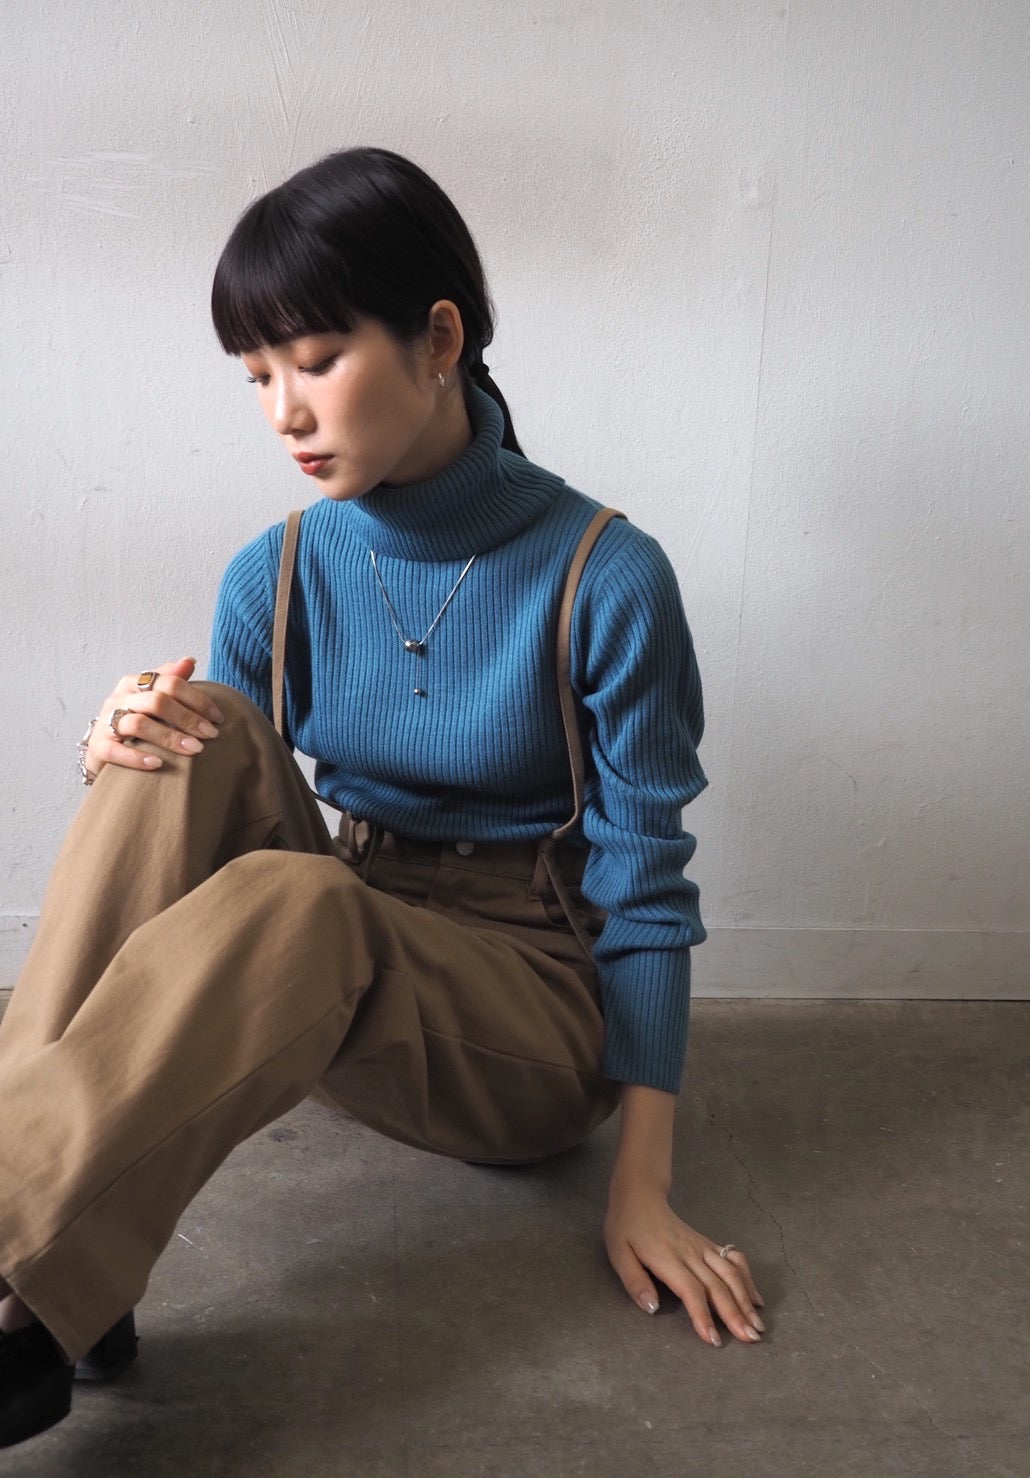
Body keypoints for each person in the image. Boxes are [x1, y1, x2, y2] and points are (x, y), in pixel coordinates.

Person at [0, 145, 764, 1450]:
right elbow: (184, 835)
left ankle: (24, 1251)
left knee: (303, 898)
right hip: (339, 956)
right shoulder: (278, 569)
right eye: (256, 376)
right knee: (192, 732)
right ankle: (39, 1268)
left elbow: (646, 889)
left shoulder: (608, 576)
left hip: (529, 1015)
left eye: (315, 360)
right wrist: (114, 743)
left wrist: (640, 1184)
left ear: (439, 340)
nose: (283, 413)